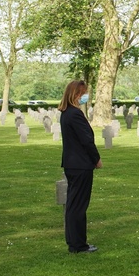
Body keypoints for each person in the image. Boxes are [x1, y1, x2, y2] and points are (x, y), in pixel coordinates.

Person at [59, 80, 103, 254]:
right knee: (78, 206)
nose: (86, 96)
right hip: (81, 165)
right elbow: (86, 140)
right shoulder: (74, 114)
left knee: (73, 204)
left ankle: (74, 241)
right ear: (76, 94)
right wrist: (96, 159)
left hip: (72, 164)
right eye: (84, 93)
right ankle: (79, 245)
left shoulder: (66, 113)